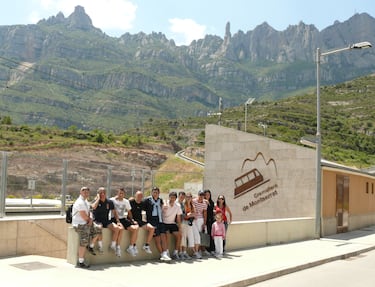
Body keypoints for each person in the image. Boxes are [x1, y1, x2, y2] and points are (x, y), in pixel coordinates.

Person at [71, 186, 100, 268]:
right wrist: (89, 220)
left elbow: (90, 209)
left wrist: (90, 220)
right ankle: (81, 261)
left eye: (87, 192)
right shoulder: (79, 202)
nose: (85, 193)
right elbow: (84, 216)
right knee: (83, 241)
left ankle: (90, 246)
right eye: (84, 192)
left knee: (98, 230)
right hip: (80, 224)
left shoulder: (85, 201)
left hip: (86, 222)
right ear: (81, 192)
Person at [91, 187, 123, 255]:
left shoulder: (109, 202)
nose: (102, 194)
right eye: (101, 193)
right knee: (99, 227)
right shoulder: (95, 201)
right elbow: (93, 207)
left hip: (106, 220)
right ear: (98, 194)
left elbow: (114, 212)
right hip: (97, 220)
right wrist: (98, 198)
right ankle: (100, 246)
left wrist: (118, 221)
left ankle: (113, 245)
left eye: (104, 193)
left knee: (117, 228)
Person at [143, 186, 171, 261]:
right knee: (157, 238)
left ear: (159, 193)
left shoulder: (160, 200)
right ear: (152, 192)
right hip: (152, 220)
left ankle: (165, 252)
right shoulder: (147, 200)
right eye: (154, 192)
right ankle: (162, 254)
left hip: (160, 220)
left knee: (163, 236)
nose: (155, 194)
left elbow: (163, 208)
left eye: (157, 192)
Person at [110, 188, 139, 257]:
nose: (121, 195)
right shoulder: (112, 200)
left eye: (122, 193)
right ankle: (117, 247)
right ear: (117, 193)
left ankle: (131, 247)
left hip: (123, 219)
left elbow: (129, 212)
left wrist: (132, 220)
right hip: (113, 219)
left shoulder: (126, 201)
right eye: (119, 193)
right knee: (121, 228)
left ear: (124, 194)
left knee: (136, 228)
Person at [162, 191, 182, 260]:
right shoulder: (165, 204)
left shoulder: (178, 206)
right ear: (169, 197)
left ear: (175, 198)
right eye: (171, 197)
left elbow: (178, 217)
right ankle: (167, 252)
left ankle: (175, 253)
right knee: (167, 235)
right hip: (164, 223)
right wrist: (164, 206)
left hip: (172, 223)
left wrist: (179, 227)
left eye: (173, 197)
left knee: (179, 235)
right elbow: (162, 212)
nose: (172, 199)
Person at [180, 192, 197, 259]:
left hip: (189, 223)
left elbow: (194, 214)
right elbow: (183, 215)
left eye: (190, 196)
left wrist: (190, 215)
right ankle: (182, 253)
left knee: (188, 238)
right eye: (187, 196)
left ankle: (185, 252)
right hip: (183, 222)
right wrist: (188, 215)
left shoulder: (192, 205)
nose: (188, 198)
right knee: (183, 238)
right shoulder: (183, 204)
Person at [192, 190, 208, 259]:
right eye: (200, 195)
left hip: (201, 220)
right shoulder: (194, 201)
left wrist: (204, 223)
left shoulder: (204, 203)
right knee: (197, 235)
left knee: (202, 234)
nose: (201, 196)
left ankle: (201, 250)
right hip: (194, 220)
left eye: (202, 195)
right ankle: (196, 251)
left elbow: (205, 213)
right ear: (198, 195)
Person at [204, 189, 215, 254]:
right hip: (205, 220)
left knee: (211, 235)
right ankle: (207, 249)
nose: (207, 196)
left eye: (208, 194)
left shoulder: (212, 202)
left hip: (211, 221)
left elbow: (211, 211)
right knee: (206, 235)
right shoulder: (202, 201)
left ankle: (212, 249)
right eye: (206, 194)